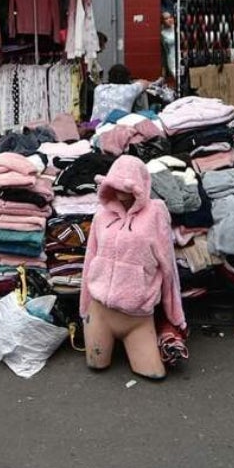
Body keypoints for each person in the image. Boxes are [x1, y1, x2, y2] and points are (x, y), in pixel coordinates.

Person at [80, 155, 186, 381]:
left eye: (125, 185)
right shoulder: (101, 216)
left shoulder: (155, 214)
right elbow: (90, 261)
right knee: (96, 365)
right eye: (114, 184)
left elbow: (168, 268)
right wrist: (84, 306)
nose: (119, 190)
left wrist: (175, 315)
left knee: (155, 374)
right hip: (100, 314)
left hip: (137, 317)